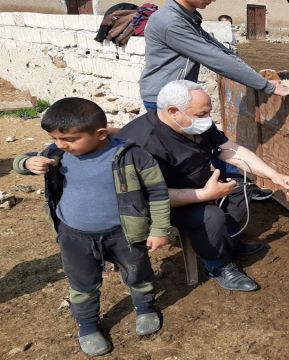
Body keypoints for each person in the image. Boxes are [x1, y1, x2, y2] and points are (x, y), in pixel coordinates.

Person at [13, 98, 171, 356]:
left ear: (100, 134)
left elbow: (158, 193)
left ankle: (144, 308)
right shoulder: (57, 153)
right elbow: (24, 161)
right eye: (55, 138)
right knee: (82, 284)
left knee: (138, 274)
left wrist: (159, 230)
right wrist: (27, 163)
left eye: (70, 139)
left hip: (124, 234)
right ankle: (87, 326)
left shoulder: (133, 157)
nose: (61, 144)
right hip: (74, 236)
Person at [118, 80, 289, 292]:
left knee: (242, 190)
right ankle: (217, 265)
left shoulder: (193, 123)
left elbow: (228, 149)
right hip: (161, 204)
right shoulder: (143, 143)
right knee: (211, 217)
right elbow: (145, 196)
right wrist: (203, 195)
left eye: (208, 113)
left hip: (200, 185)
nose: (207, 120)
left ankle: (228, 243)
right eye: (202, 115)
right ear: (173, 111)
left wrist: (273, 174)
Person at [140, 0, 289, 110]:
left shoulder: (186, 18)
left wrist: (259, 80)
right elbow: (216, 59)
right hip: (164, 101)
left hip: (176, 96)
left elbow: (222, 51)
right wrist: (267, 87)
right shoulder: (171, 22)